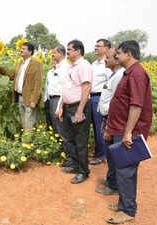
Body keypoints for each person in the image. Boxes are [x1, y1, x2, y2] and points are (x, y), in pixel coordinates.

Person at [105, 40, 153, 224]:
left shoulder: (137, 74)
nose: (116, 56)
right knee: (123, 169)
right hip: (121, 128)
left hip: (129, 132)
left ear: (129, 54)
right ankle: (124, 204)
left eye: (118, 53)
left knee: (126, 171)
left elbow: (136, 105)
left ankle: (127, 211)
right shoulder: (130, 73)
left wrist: (128, 132)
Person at [56, 39, 93, 184]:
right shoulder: (70, 67)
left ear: (78, 51)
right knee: (70, 138)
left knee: (80, 140)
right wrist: (60, 107)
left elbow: (86, 88)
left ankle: (84, 171)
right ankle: (76, 166)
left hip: (79, 106)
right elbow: (66, 89)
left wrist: (79, 111)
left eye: (70, 49)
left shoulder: (84, 66)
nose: (68, 52)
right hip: (68, 107)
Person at [94, 47, 125, 196]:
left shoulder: (119, 76)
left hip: (113, 121)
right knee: (110, 153)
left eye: (108, 57)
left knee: (113, 155)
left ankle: (113, 185)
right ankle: (111, 180)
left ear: (116, 60)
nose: (105, 59)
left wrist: (109, 127)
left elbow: (115, 103)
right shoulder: (114, 75)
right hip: (108, 118)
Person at [0, 42, 43, 130]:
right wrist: (0, 68)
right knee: (24, 122)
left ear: (30, 52)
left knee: (28, 123)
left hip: (30, 98)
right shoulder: (20, 63)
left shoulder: (36, 63)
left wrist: (34, 100)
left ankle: (27, 142)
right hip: (20, 97)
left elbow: (38, 83)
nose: (21, 50)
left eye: (23, 49)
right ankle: (27, 142)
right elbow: (12, 76)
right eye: (21, 48)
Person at [44, 45, 71, 166]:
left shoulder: (66, 68)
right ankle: (62, 154)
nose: (52, 55)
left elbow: (65, 89)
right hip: (51, 100)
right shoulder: (54, 69)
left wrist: (60, 105)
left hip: (60, 100)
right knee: (56, 129)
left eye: (54, 53)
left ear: (61, 53)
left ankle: (69, 158)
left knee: (63, 130)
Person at [90, 39, 112, 165]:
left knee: (101, 128)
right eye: (95, 45)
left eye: (99, 46)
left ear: (106, 48)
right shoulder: (93, 64)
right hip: (91, 97)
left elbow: (109, 83)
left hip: (100, 97)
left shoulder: (107, 64)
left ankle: (103, 155)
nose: (96, 48)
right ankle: (98, 151)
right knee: (95, 127)